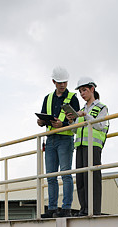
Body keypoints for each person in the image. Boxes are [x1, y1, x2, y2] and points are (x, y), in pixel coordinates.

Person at [37, 66, 81, 218]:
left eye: (65, 82)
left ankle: (66, 207)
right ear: (54, 82)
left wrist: (63, 125)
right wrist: (41, 122)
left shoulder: (73, 98)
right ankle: (52, 208)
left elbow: (77, 121)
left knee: (66, 173)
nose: (63, 85)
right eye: (60, 82)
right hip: (50, 139)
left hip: (65, 139)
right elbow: (44, 117)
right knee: (50, 175)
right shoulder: (48, 98)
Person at [66, 76, 109, 216]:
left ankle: (94, 209)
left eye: (84, 90)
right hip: (80, 145)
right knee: (81, 179)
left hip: (93, 146)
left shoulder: (102, 107)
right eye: (80, 92)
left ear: (92, 89)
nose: (82, 94)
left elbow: (101, 125)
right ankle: (84, 208)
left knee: (93, 178)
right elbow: (74, 130)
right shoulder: (80, 109)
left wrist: (86, 116)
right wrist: (71, 121)